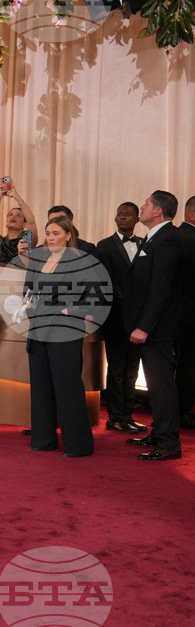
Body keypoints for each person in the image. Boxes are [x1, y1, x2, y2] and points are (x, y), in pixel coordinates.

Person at [21, 216, 109, 457]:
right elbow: (29, 289)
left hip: (65, 329)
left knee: (67, 385)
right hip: (38, 329)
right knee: (41, 386)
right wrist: (26, 302)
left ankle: (78, 445)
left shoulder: (80, 261)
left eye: (55, 233)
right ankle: (43, 439)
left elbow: (96, 296)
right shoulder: (39, 260)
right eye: (48, 233)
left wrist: (71, 310)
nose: (50, 238)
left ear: (69, 235)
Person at [124, 191, 184, 460]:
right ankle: (159, 433)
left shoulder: (168, 239)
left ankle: (169, 443)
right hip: (150, 326)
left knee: (161, 386)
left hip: (158, 329)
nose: (142, 207)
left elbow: (161, 289)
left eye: (146, 203)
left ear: (158, 211)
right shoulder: (155, 237)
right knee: (154, 384)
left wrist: (144, 326)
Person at [94, 202, 147, 434]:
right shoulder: (104, 246)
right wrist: (130, 305)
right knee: (116, 367)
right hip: (116, 315)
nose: (123, 218)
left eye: (128, 215)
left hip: (139, 318)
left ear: (137, 219)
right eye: (120, 214)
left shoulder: (145, 244)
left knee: (132, 369)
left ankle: (127, 414)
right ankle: (115, 417)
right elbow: (105, 282)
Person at [0, 180, 39, 263]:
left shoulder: (27, 241)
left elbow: (31, 222)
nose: (13, 216)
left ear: (24, 224)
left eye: (18, 215)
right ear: (6, 221)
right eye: (10, 215)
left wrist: (17, 198)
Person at [178, 195, 195, 429]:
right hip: (189, 315)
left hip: (177, 315)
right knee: (188, 366)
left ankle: (180, 411)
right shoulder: (189, 238)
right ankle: (183, 412)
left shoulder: (173, 236)